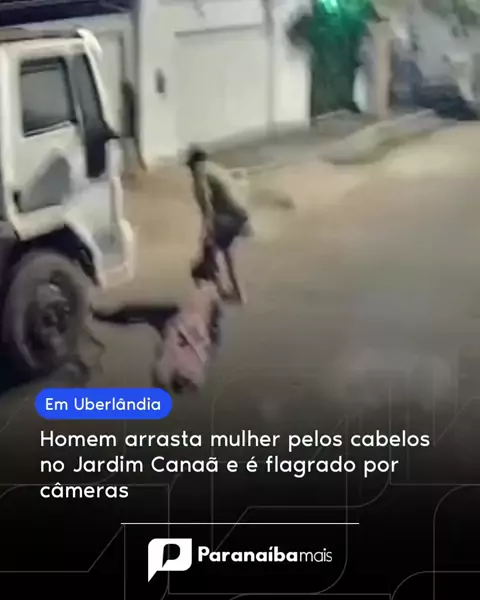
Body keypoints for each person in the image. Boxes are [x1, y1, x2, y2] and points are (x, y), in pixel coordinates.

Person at [186, 145, 251, 304]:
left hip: (227, 216)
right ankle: (236, 293)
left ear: (192, 164)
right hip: (239, 213)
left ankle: (224, 293)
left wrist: (207, 231)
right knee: (225, 252)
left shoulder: (199, 173)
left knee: (211, 253)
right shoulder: (214, 168)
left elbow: (206, 205)